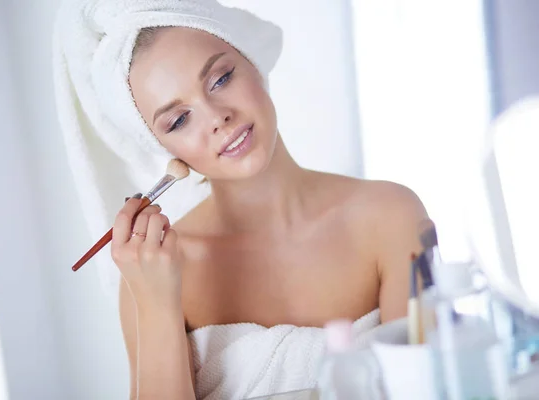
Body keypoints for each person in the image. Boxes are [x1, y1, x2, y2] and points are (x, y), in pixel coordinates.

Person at [112, 25, 428, 399]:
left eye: (221, 79)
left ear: (254, 63)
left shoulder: (390, 216)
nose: (217, 117)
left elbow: (429, 385)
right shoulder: (152, 272)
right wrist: (157, 303)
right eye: (179, 120)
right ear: (164, 147)